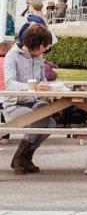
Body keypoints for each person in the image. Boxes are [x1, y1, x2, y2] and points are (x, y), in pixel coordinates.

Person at [2, 24, 57, 174]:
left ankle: (24, 157)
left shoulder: (38, 57)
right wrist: (32, 88)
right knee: (42, 117)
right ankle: (21, 157)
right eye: (44, 45)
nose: (46, 49)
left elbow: (43, 80)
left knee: (51, 123)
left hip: (35, 103)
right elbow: (10, 84)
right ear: (35, 43)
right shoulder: (12, 56)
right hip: (14, 105)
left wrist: (50, 90)